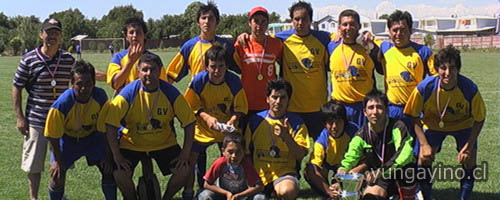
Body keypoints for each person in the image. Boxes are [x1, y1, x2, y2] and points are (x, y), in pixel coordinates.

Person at [104, 53, 196, 200]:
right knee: (119, 173)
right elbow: (110, 124)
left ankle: (166, 198)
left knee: (184, 170)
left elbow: (190, 123)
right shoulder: (128, 93)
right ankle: (132, 197)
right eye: (145, 70)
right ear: (138, 71)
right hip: (132, 144)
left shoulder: (170, 93)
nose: (149, 74)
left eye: (153, 70)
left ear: (160, 71)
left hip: (164, 143)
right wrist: (117, 156)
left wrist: (185, 154)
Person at [404, 45, 486, 200]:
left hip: (464, 126)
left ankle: (464, 197)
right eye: (443, 68)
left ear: (458, 69)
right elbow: (412, 115)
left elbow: (479, 119)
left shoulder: (469, 88)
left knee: (470, 161)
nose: (447, 73)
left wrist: (468, 147)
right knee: (423, 158)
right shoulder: (425, 87)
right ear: (436, 69)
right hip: (434, 125)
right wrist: (424, 144)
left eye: (452, 68)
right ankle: (426, 196)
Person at [12, 17, 76, 200]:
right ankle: (34, 198)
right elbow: (16, 86)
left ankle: (57, 195)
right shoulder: (29, 59)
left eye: (56, 32)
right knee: (34, 164)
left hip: (61, 121)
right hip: (37, 120)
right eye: (48, 32)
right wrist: (20, 117)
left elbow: (79, 79)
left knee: (60, 162)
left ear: (61, 36)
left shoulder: (68, 59)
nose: (52, 36)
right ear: (41, 34)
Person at [44, 60, 116, 200]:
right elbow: (52, 136)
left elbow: (104, 130)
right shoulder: (62, 104)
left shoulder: (100, 97)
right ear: (72, 84)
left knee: (109, 170)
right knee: (57, 176)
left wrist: (108, 156)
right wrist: (58, 163)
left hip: (92, 138)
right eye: (79, 84)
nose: (84, 88)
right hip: (67, 140)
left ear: (94, 83)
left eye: (88, 83)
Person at [184, 45, 248, 199]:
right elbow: (190, 104)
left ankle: (235, 190)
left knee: (234, 158)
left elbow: (241, 107)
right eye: (213, 67)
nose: (217, 71)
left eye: (221, 66)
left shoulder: (233, 81)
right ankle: (188, 193)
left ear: (226, 66)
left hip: (226, 130)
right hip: (203, 128)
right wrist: (206, 117)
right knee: (191, 159)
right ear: (206, 66)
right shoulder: (199, 81)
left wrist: (233, 120)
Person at [337, 90, 417, 200]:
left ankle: (413, 194)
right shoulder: (361, 135)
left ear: (386, 110)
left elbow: (405, 154)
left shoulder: (397, 127)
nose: (375, 112)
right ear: (365, 112)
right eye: (371, 108)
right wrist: (343, 170)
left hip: (400, 173)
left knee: (408, 170)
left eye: (379, 107)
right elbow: (350, 157)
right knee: (370, 197)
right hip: (380, 177)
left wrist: (381, 172)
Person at [245, 79, 310, 200]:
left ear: (288, 100)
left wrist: (287, 137)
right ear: (267, 99)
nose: (278, 102)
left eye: (283, 98)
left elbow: (300, 155)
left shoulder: (296, 122)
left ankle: (276, 191)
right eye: (274, 97)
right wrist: (251, 176)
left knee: (287, 192)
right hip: (259, 175)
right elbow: (247, 153)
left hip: (284, 174)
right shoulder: (256, 120)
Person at [370, 10, 437, 124]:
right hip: (392, 109)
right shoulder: (385, 48)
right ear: (389, 32)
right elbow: (370, 39)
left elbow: (436, 79)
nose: (398, 33)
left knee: (418, 141)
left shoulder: (423, 52)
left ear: (410, 31)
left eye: (402, 29)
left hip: (416, 109)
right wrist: (367, 34)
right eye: (395, 30)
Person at [328, 9, 381, 134]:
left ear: (359, 26)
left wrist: (370, 38)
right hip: (340, 107)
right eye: (344, 24)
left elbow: (382, 66)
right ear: (339, 27)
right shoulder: (331, 46)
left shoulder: (368, 46)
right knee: (343, 148)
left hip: (363, 107)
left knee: (366, 146)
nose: (348, 28)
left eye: (352, 24)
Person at [233, 6, 283, 131]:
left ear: (268, 24)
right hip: (246, 103)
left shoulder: (276, 43)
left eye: (263, 21)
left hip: (268, 103)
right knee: (244, 143)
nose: (259, 25)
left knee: (265, 143)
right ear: (249, 23)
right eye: (256, 21)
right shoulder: (241, 44)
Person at [166, 1, 238, 83]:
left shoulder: (226, 46)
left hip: (220, 94)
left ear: (217, 22)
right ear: (198, 22)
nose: (207, 21)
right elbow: (170, 75)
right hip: (196, 94)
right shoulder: (189, 46)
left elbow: (243, 68)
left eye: (211, 18)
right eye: (203, 18)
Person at [304, 100, 363, 199]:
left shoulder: (355, 133)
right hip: (329, 166)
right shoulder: (321, 139)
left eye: (338, 121)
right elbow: (312, 169)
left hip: (349, 167)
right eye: (330, 122)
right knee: (309, 171)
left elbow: (365, 161)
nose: (335, 126)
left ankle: (349, 187)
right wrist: (329, 191)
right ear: (324, 124)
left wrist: (345, 178)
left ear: (345, 121)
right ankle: (330, 193)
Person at [106, 16, 168, 92]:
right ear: (126, 36)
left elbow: (164, 86)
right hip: (126, 102)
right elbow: (115, 84)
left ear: (144, 35)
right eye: (131, 32)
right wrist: (130, 62)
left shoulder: (154, 59)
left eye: (138, 32)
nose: (134, 35)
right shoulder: (118, 58)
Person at [198, 133, 265, 200]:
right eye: (230, 152)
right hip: (222, 195)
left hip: (242, 196)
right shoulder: (220, 163)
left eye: (238, 152)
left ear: (244, 152)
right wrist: (226, 193)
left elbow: (259, 186)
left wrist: (239, 195)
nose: (234, 156)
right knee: (204, 196)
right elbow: (207, 184)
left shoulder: (246, 164)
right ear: (223, 151)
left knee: (260, 197)